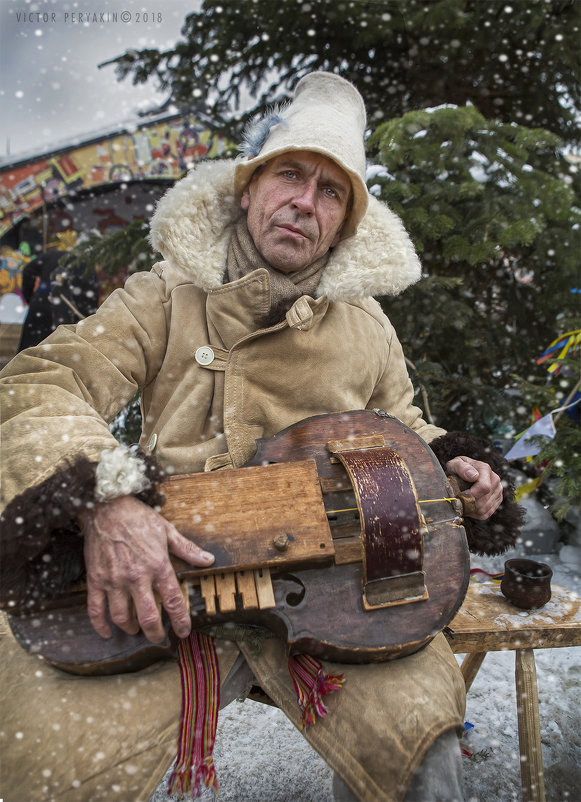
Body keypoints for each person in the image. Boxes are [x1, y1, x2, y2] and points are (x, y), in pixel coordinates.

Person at [0, 73, 521, 802]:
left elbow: (401, 429)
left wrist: (457, 468)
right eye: (289, 174)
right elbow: (40, 387)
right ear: (248, 188)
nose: (304, 202)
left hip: (337, 594)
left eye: (331, 191)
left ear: (344, 223)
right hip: (166, 594)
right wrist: (108, 499)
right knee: (46, 767)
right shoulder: (162, 297)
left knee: (419, 762)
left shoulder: (367, 325)